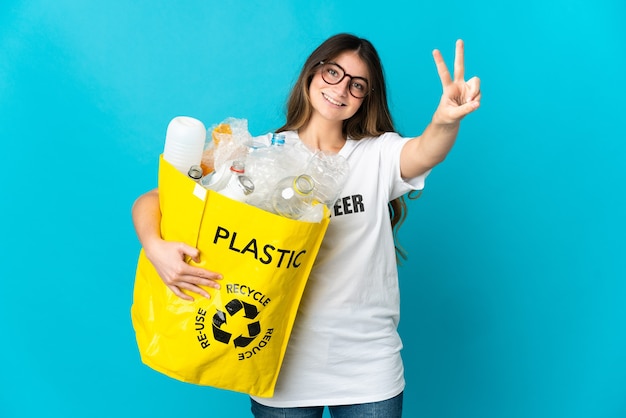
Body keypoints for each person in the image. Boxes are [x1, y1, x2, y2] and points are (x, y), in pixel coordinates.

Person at [132, 33, 480, 417]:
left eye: (357, 84)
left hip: (367, 365)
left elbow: (426, 149)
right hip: (278, 362)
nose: (341, 89)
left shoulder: (377, 155)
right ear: (312, 74)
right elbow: (154, 199)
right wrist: (155, 246)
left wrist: (444, 120)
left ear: (366, 98)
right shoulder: (254, 156)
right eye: (333, 72)